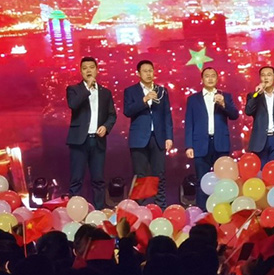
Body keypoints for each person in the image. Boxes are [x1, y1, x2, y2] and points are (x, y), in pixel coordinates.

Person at [65, 56, 117, 210]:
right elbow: (73, 104)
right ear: (81, 72)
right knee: (76, 179)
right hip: (79, 141)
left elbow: (112, 115)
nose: (88, 70)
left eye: (91, 67)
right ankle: (74, 212)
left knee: (98, 179)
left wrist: (106, 127)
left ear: (97, 70)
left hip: (98, 141)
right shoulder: (73, 90)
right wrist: (87, 87)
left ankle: (99, 211)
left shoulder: (105, 93)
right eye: (85, 68)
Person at [184, 67, 239, 209]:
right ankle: (203, 211)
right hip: (200, 144)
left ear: (217, 79)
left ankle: (224, 211)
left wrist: (223, 104)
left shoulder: (225, 96)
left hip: (221, 143)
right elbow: (189, 123)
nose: (210, 78)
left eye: (213, 76)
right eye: (207, 76)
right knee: (202, 181)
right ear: (202, 79)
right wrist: (189, 145)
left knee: (223, 181)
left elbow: (234, 115)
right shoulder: (193, 99)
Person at [122, 59, 173, 208]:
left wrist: (169, 137)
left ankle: (160, 207)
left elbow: (167, 115)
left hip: (158, 138)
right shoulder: (130, 91)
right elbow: (128, 111)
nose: (149, 74)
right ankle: (139, 208)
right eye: (145, 71)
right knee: (141, 176)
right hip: (139, 139)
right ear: (138, 73)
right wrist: (144, 99)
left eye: (151, 70)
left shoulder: (162, 91)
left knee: (159, 175)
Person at [244, 65, 274, 167]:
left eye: (269, 75)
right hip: (260, 140)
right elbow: (248, 111)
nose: (266, 78)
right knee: (260, 172)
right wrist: (257, 95)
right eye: (263, 75)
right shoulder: (253, 95)